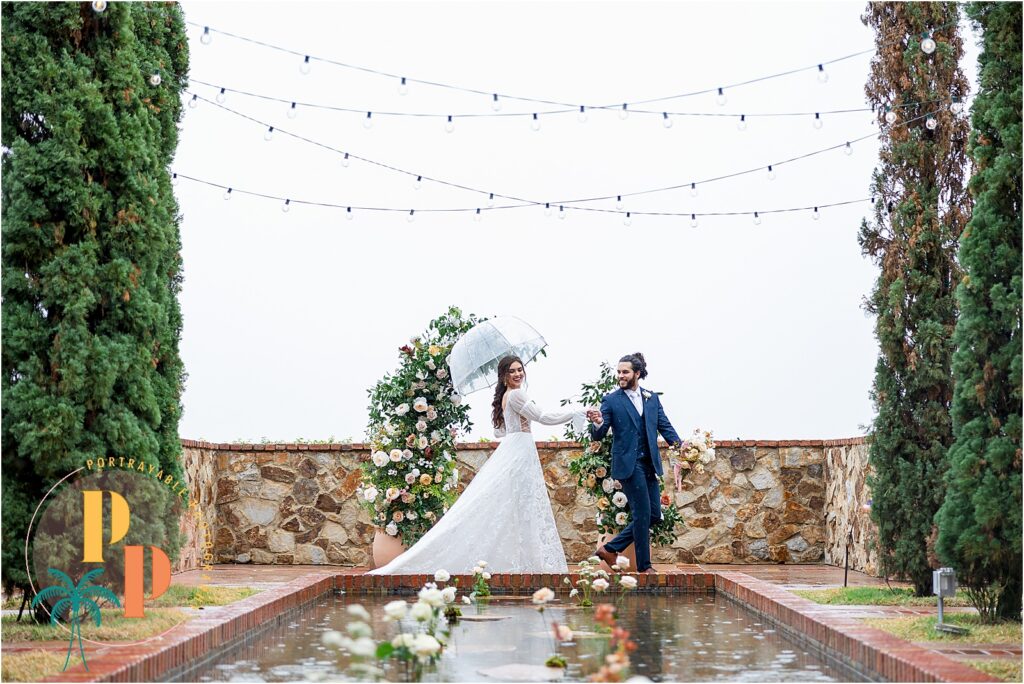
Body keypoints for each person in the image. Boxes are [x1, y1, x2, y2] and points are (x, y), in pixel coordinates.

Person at [369, 355, 584, 574]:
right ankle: (529, 565)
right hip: (520, 451)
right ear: (503, 377)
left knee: (519, 507)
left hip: (515, 448)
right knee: (522, 506)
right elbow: (544, 417)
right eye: (512, 371)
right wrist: (576, 412)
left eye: (520, 370)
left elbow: (499, 431)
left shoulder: (507, 396)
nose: (518, 374)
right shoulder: (517, 394)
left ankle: (525, 564)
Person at [587, 352, 681, 574]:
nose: (620, 375)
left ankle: (609, 548)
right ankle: (644, 567)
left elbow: (664, 426)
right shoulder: (611, 400)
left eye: (625, 372)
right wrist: (599, 422)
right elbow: (598, 434)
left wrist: (680, 447)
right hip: (628, 465)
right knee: (642, 513)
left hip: (649, 463)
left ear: (637, 373)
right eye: (618, 372)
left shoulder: (652, 398)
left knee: (655, 515)